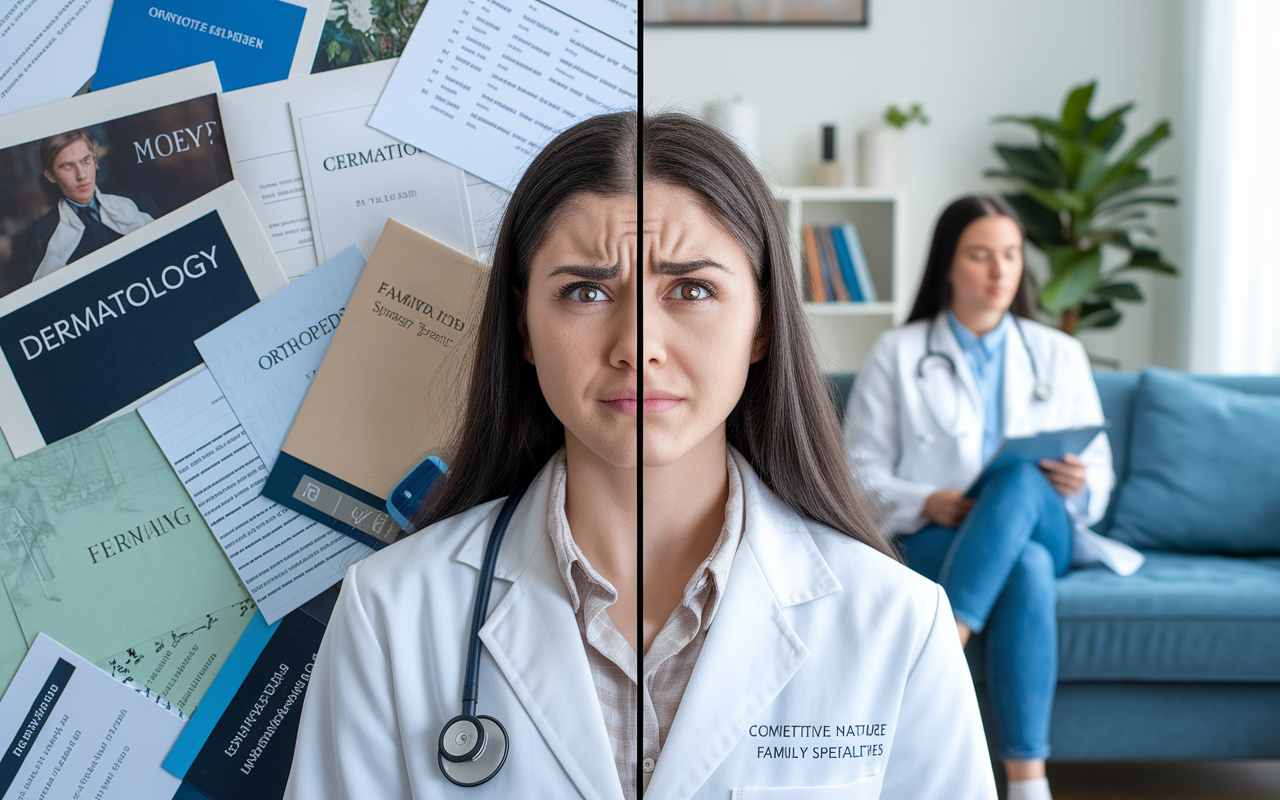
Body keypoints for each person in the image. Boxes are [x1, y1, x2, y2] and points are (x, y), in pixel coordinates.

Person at [284, 112, 995, 799]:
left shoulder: (900, 624)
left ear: (762, 324)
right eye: (587, 291)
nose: (638, 346)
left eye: (692, 289)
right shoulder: (390, 611)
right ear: (524, 328)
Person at [843, 196, 1124, 800]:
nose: (999, 272)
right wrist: (929, 501)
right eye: (980, 255)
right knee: (1024, 566)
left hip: (1047, 518)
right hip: (942, 530)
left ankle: (949, 641)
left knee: (1022, 482)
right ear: (948, 264)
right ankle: (1028, 783)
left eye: (1011, 256)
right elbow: (857, 474)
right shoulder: (900, 352)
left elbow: (1099, 479)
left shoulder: (1058, 353)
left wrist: (1080, 482)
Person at [16, 130, 153, 283]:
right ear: (51, 176)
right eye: (68, 166)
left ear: (95, 161)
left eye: (86, 161)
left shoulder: (134, 203)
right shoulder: (41, 235)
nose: (82, 175)